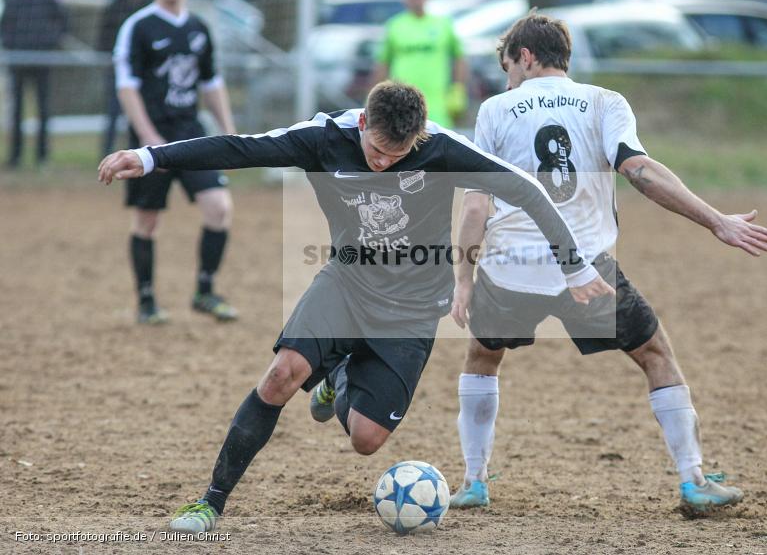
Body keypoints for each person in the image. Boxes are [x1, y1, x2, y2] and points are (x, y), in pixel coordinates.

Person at [98, 80, 615, 534]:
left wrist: (574, 266)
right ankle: (211, 501)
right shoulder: (324, 138)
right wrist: (151, 157)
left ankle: (336, 377)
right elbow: (240, 147)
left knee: (367, 440)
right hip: (345, 287)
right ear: (363, 122)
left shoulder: (440, 148)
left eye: (397, 155)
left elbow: (526, 190)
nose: (383, 162)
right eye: (377, 151)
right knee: (279, 377)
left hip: (413, 309)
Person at [447, 12, 767, 515]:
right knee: (655, 355)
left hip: (511, 267)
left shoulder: (495, 110)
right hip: (587, 271)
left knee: (482, 356)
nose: (506, 76)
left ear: (527, 57)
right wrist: (715, 220)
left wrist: (465, 280)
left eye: (508, 64)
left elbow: (475, 205)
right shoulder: (605, 102)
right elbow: (640, 171)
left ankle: (473, 482)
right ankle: (692, 481)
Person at [113, 0, 237, 324]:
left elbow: (211, 83)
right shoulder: (139, 26)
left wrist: (229, 130)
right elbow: (127, 86)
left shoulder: (199, 27)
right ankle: (147, 301)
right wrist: (148, 138)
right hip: (150, 135)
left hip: (189, 133)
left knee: (220, 208)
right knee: (147, 220)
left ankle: (205, 290)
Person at [371, 0, 468, 127]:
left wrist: (457, 90)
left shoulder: (443, 24)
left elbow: (459, 59)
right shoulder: (395, 25)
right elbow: (382, 63)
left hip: (437, 104)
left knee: (438, 145)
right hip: (400, 102)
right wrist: (376, 96)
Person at [1, 0, 67, 169]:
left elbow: (63, 23)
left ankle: (42, 157)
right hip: (19, 60)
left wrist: (49, 41)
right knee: (16, 110)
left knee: (43, 108)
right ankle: (16, 156)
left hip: (43, 60)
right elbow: (5, 25)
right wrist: (11, 44)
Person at [97, 0, 151, 158]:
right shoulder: (115, 6)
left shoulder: (150, 7)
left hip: (145, 72)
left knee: (141, 113)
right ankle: (107, 152)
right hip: (118, 70)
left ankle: (140, 151)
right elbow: (103, 35)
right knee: (112, 113)